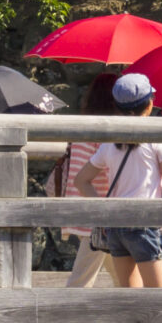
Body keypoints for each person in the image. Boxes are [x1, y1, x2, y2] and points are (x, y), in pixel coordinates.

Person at [86, 72, 162, 287]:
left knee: (131, 296)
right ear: (149, 105)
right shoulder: (157, 140)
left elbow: (81, 180)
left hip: (115, 223)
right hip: (144, 223)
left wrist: (102, 210)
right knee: (157, 297)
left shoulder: (110, 142)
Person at [53, 74, 122, 288]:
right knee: (82, 279)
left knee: (120, 275)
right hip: (101, 214)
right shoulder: (107, 131)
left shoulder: (82, 127)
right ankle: (68, 316)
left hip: (90, 209)